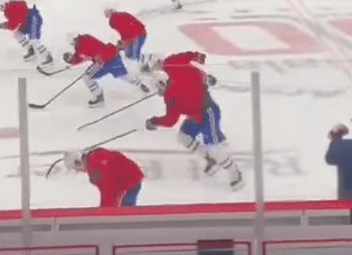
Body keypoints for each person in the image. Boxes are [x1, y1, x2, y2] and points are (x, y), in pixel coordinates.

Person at [143, 59, 243, 191]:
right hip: (196, 116)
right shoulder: (179, 80)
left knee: (213, 146)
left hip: (209, 113)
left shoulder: (171, 98)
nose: (158, 91)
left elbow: (170, 121)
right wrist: (207, 79)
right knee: (184, 135)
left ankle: (235, 172)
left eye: (158, 87)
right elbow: (196, 72)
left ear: (162, 83)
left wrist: (153, 122)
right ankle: (210, 160)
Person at [65, 33, 149, 107]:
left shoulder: (81, 46)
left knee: (87, 77)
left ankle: (98, 97)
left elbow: (82, 56)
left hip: (103, 62)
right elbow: (85, 54)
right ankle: (138, 83)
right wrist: (73, 60)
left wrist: (71, 61)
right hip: (113, 56)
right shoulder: (85, 38)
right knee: (123, 75)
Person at [64, 148, 144, 207]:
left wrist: (105, 210)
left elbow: (108, 186)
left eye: (76, 168)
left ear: (77, 162)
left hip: (131, 183)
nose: (79, 171)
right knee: (124, 210)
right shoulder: (95, 159)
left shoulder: (95, 164)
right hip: (131, 181)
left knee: (126, 212)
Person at [0, 0, 54, 67]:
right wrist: (6, 24)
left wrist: (6, 25)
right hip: (25, 22)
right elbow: (14, 20)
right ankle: (30, 50)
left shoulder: (10, 8)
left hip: (33, 19)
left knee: (33, 40)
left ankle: (47, 56)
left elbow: (14, 22)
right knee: (17, 34)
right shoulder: (8, 10)